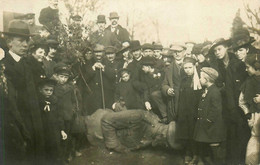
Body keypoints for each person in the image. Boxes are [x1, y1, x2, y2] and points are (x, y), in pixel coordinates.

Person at [2, 20, 46, 165]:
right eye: (21, 41)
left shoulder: (28, 63)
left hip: (35, 124)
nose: (26, 44)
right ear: (9, 42)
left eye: (27, 40)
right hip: (15, 127)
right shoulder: (4, 67)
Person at [85, 108, 182, 153]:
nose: (164, 146)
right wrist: (115, 145)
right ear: (162, 135)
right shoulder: (139, 117)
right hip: (93, 127)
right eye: (166, 143)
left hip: (99, 137)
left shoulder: (152, 135)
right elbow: (106, 120)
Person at [225, 28, 255, 165]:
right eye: (236, 51)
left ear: (247, 50)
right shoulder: (233, 67)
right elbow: (229, 89)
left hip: (254, 107)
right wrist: (232, 110)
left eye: (241, 50)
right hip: (238, 109)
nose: (238, 53)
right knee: (238, 139)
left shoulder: (255, 64)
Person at [193, 67, 226, 165]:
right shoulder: (207, 90)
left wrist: (208, 120)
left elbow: (216, 109)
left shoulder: (214, 92)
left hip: (212, 127)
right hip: (207, 126)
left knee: (215, 150)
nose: (199, 79)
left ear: (207, 79)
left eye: (201, 78)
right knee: (207, 149)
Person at [52, 63, 83, 162]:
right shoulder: (53, 88)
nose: (63, 79)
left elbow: (74, 100)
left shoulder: (70, 88)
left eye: (66, 77)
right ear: (56, 76)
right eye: (61, 76)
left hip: (68, 115)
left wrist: (73, 109)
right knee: (59, 136)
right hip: (57, 116)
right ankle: (59, 156)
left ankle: (68, 154)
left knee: (69, 135)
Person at [175, 57, 202, 165]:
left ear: (194, 67)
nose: (187, 70)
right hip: (185, 110)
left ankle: (196, 154)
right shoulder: (184, 80)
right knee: (185, 132)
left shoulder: (199, 79)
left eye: (190, 67)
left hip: (195, 110)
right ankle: (188, 152)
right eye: (185, 68)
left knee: (194, 132)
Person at [37, 78, 67, 165]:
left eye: (51, 90)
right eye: (46, 90)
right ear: (40, 90)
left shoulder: (55, 101)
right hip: (42, 131)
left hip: (54, 131)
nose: (49, 92)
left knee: (56, 150)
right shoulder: (37, 102)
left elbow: (59, 116)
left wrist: (62, 130)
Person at [239, 53, 260, 165]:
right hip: (256, 116)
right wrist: (248, 114)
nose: (246, 70)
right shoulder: (248, 82)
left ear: (256, 66)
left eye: (248, 67)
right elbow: (241, 101)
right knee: (255, 141)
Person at [162, 43, 186, 122]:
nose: (177, 54)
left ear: (184, 52)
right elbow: (164, 84)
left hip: (188, 97)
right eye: (174, 52)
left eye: (179, 51)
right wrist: (167, 90)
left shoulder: (190, 64)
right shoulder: (168, 67)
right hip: (174, 99)